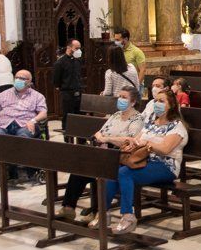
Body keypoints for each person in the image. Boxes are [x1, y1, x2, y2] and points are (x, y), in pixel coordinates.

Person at [94, 88, 188, 234]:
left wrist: (147, 144)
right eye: (156, 100)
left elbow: (165, 149)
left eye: (161, 101)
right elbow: (137, 139)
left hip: (166, 166)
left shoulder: (176, 126)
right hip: (144, 161)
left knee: (125, 173)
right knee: (112, 172)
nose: (157, 104)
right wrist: (133, 143)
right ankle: (102, 213)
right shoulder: (151, 122)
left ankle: (128, 216)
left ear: (171, 105)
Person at [59, 86, 145, 222]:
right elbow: (100, 132)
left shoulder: (137, 119)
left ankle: (97, 212)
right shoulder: (116, 115)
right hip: (104, 152)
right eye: (119, 97)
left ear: (133, 102)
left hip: (120, 156)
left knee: (101, 174)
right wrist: (101, 137)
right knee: (80, 169)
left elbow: (130, 141)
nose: (120, 100)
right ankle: (68, 208)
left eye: (124, 97)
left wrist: (108, 139)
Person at [0, 70, 48, 182]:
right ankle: (8, 170)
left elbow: (43, 113)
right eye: (17, 77)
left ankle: (26, 169)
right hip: (4, 124)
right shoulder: (4, 94)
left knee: (22, 138)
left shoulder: (37, 96)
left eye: (22, 78)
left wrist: (33, 120)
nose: (18, 80)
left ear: (29, 82)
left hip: (25, 124)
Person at [52, 38, 83, 131]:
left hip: (78, 91)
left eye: (80, 48)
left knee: (80, 116)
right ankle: (68, 139)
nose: (79, 51)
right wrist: (63, 88)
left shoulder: (78, 61)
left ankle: (81, 139)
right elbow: (56, 81)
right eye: (76, 48)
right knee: (68, 115)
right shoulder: (60, 62)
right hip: (67, 93)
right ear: (69, 48)